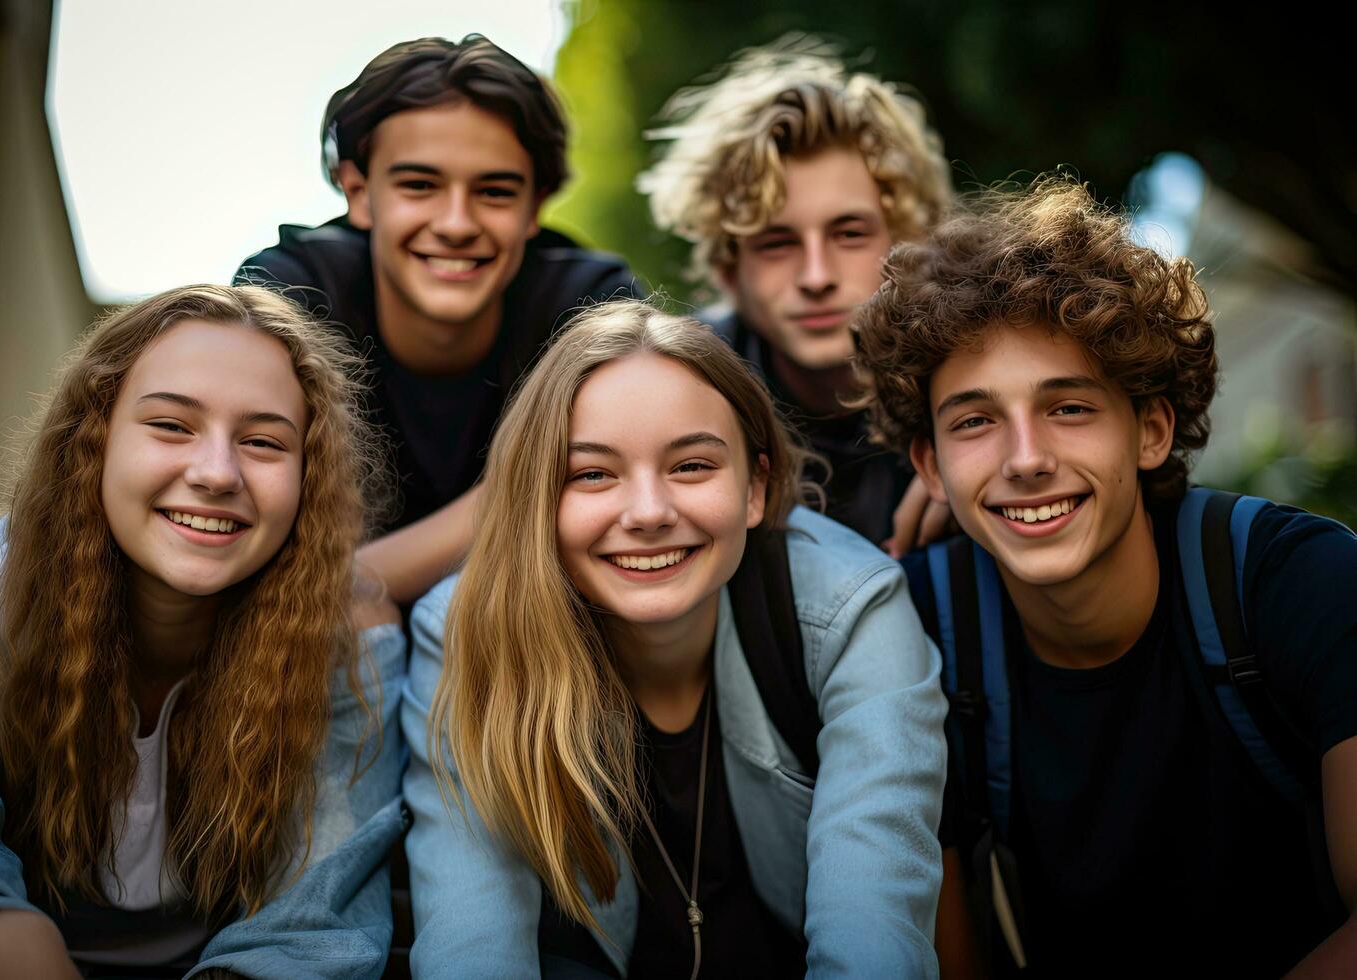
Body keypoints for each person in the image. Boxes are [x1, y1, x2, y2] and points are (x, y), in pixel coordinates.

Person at [853, 177, 1357, 976]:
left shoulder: (1300, 582)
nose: (1026, 460)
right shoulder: (915, 634)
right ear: (931, 465)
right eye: (976, 422)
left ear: (1151, 429)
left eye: (1069, 408)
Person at [402, 299, 947, 978]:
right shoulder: (462, 636)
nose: (650, 514)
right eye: (592, 474)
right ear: (539, 499)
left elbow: (876, 935)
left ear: (756, 486)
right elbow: (473, 946)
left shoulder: (849, 607)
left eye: (691, 466)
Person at [0, 285, 406, 978]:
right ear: (95, 438)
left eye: (262, 442)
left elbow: (313, 929)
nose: (217, 473)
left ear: (308, 479)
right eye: (170, 426)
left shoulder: (346, 645)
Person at [238, 35, 638, 604]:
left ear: (535, 207)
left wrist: (356, 584)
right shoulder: (293, 297)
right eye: (419, 185)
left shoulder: (589, 305)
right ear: (359, 192)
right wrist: (529, 488)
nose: (455, 223)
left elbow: (625, 489)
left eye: (495, 191)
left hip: (529, 626)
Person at [639, 36, 954, 554]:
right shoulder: (677, 392)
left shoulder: (972, 376)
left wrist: (976, 454)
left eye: (849, 234)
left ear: (908, 243)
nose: (816, 275)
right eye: (777, 242)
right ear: (727, 269)